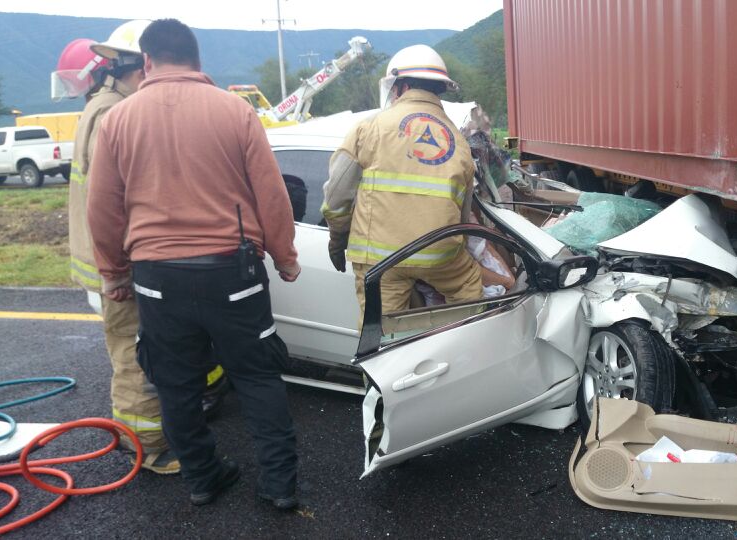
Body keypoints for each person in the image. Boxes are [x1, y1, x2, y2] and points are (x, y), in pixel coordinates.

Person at [87, 19, 300, 510]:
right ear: (197, 60)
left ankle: (203, 478)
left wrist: (114, 272)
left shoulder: (118, 119)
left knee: (175, 383)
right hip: (234, 272)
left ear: (147, 61)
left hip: (158, 279)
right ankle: (279, 487)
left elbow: (103, 207)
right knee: (257, 376)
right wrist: (285, 258)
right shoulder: (235, 110)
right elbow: (271, 194)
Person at [53, 23, 193, 475]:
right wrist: (116, 271)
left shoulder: (107, 107)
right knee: (133, 355)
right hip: (115, 266)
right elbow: (110, 203)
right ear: (144, 68)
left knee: (145, 347)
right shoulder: (113, 115)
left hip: (114, 262)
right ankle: (145, 447)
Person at [321, 44, 483, 321]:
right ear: (439, 90)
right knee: (469, 301)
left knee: (383, 341)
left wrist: (337, 241)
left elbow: (336, 198)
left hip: (381, 261)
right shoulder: (458, 140)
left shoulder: (370, 127)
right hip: (440, 257)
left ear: (400, 87)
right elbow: (463, 214)